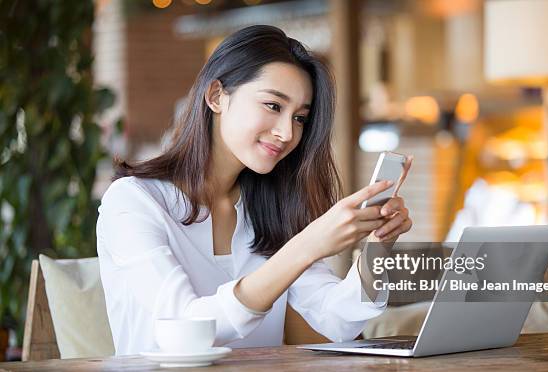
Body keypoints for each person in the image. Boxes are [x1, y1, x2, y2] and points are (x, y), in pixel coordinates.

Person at [96, 25, 412, 355]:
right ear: (216, 96)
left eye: (300, 118)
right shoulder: (132, 201)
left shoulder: (269, 209)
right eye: (274, 106)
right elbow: (186, 327)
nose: (287, 132)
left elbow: (337, 320)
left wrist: (379, 248)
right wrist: (306, 246)